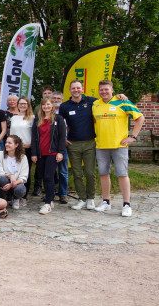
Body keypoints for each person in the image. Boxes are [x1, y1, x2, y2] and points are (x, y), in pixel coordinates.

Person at [92, 80, 144, 217]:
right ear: (99, 91)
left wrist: (133, 136)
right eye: (101, 89)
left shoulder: (123, 102)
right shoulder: (95, 104)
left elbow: (140, 118)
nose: (104, 92)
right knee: (103, 173)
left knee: (122, 174)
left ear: (112, 90)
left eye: (106, 89)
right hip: (101, 145)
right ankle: (106, 202)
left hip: (119, 145)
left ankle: (126, 204)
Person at [59, 80, 99, 210]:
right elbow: (60, 124)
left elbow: (107, 101)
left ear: (82, 89)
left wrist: (120, 96)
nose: (76, 90)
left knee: (89, 172)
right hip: (73, 144)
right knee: (77, 173)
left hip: (89, 143)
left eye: (78, 88)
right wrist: (63, 139)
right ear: (70, 90)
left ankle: (90, 198)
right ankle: (81, 198)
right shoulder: (65, 106)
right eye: (73, 88)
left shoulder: (92, 101)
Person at [31, 97, 66, 215]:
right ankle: (49, 198)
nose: (46, 106)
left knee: (48, 176)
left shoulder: (58, 119)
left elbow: (62, 137)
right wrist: (34, 153)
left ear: (52, 106)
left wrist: (61, 152)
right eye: (44, 105)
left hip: (52, 152)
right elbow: (34, 138)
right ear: (41, 106)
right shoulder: (37, 119)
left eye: (48, 104)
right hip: (41, 153)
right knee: (43, 176)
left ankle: (47, 203)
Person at [10, 97, 34, 204]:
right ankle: (14, 195)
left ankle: (24, 196)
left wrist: (31, 143)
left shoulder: (32, 118)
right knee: (14, 172)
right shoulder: (14, 118)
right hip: (14, 149)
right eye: (20, 103)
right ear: (17, 105)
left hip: (26, 148)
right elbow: (11, 133)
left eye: (25, 104)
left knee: (25, 173)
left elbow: (36, 134)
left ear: (28, 105)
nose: (22, 106)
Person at [0, 135, 29, 210]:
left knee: (21, 189)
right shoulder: (0, 154)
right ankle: (3, 198)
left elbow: (24, 177)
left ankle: (16, 199)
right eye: (6, 142)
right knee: (2, 179)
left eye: (10, 143)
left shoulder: (23, 158)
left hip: (16, 183)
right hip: (4, 181)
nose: (7, 144)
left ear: (16, 145)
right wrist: (10, 175)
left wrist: (13, 183)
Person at [52, 91, 69, 204]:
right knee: (50, 171)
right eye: (54, 98)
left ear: (62, 100)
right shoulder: (46, 111)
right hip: (50, 146)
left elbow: (70, 126)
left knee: (63, 171)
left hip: (63, 145)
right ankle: (51, 193)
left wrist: (65, 140)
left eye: (58, 98)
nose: (56, 100)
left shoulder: (65, 112)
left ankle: (63, 194)